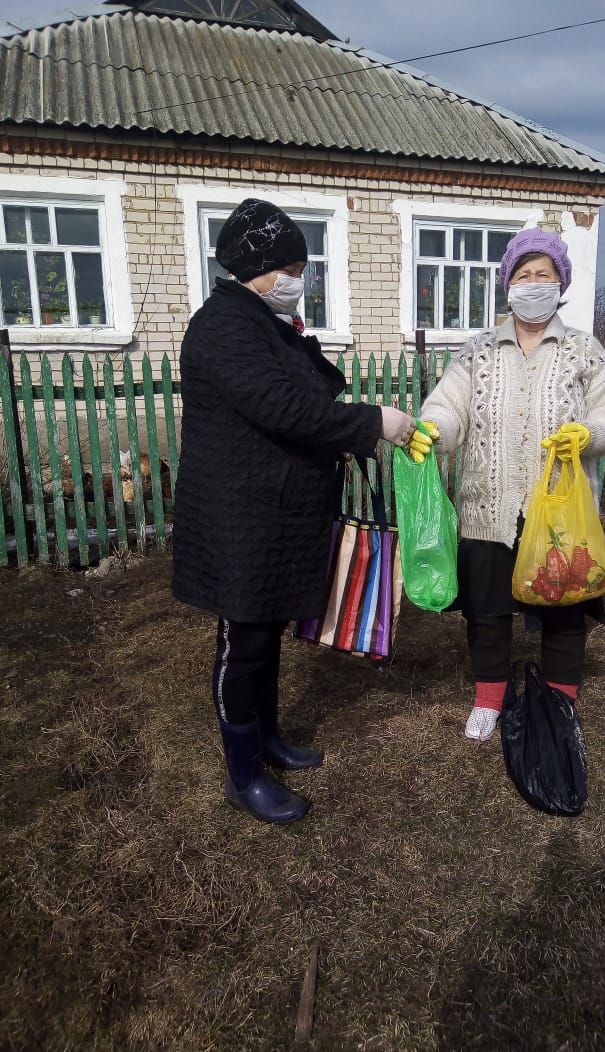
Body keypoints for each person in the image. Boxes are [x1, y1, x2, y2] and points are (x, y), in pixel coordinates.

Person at [172, 199, 416, 824]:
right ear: (260, 268)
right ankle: (243, 771)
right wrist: (374, 423)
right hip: (239, 518)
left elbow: (306, 394)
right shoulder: (224, 327)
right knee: (244, 641)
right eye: (293, 266)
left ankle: (270, 737)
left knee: (269, 631)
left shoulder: (263, 323)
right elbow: (287, 410)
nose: (298, 278)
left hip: (272, 513)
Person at [413, 228, 605, 741]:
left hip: (559, 515)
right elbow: (449, 405)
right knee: (487, 613)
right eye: (523, 275)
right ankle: (489, 698)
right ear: (507, 283)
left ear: (561, 285)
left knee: (563, 610)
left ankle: (560, 700)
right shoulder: (478, 350)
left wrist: (591, 432)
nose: (533, 284)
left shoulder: (584, 350)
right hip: (487, 508)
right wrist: (434, 429)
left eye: (544, 276)